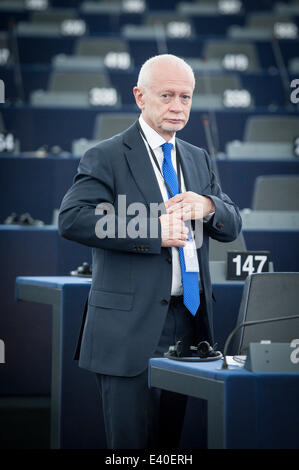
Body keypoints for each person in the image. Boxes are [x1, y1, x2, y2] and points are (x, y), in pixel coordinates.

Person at [58, 54, 242, 449]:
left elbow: (232, 223)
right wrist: (151, 230)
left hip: (189, 323)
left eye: (186, 98)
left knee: (169, 446)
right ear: (140, 97)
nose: (178, 107)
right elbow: (73, 219)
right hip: (128, 330)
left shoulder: (197, 156)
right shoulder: (105, 155)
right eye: (167, 96)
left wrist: (209, 207)